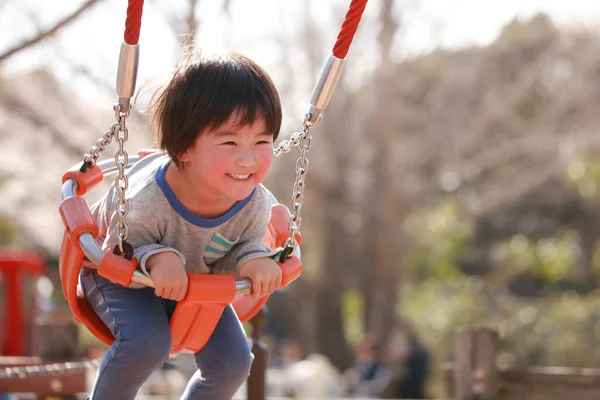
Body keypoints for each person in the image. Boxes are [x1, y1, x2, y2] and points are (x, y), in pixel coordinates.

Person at [80, 51, 284, 400]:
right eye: (231, 142)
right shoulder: (146, 201)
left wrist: (253, 258)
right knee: (146, 344)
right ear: (185, 147)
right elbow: (118, 247)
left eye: (262, 142)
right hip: (118, 275)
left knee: (234, 361)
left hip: (191, 282)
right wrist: (157, 257)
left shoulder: (254, 203)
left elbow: (241, 244)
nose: (248, 159)